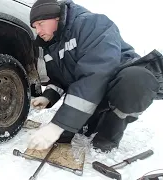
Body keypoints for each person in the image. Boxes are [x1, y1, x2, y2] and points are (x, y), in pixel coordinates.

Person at [27, 0, 160, 152]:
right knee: (70, 131)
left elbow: (96, 75)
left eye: (41, 23)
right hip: (91, 92)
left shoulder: (92, 25)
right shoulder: (51, 47)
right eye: (35, 27)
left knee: (136, 80)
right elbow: (61, 79)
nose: (38, 31)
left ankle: (108, 134)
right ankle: (92, 121)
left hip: (115, 84)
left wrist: (57, 125)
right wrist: (48, 97)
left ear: (56, 17)